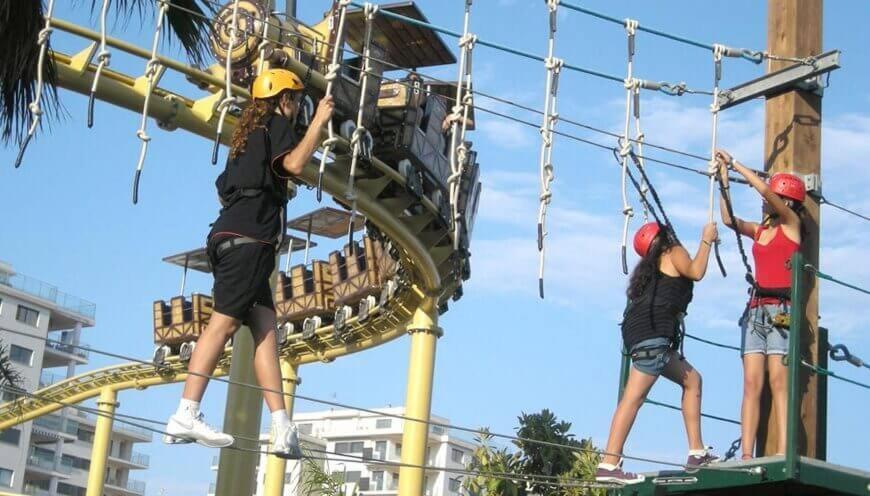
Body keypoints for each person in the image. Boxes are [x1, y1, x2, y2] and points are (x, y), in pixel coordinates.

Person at [163, 69, 334, 458]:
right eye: (296, 100)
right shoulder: (275, 124)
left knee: (265, 330)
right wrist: (321, 123)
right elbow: (294, 164)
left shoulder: (246, 138)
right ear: (284, 99)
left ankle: (281, 426)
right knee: (222, 324)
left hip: (231, 238)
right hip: (249, 241)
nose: (297, 108)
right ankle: (186, 411)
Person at [596, 221, 720, 485]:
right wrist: (706, 240)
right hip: (654, 336)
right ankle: (608, 462)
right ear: (664, 239)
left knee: (692, 380)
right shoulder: (672, 251)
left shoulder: (650, 272)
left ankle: (697, 452)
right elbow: (696, 271)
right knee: (633, 398)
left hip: (642, 335)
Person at [715, 149, 805, 461]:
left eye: (772, 199)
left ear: (786, 201)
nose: (764, 201)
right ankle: (747, 455)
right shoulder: (762, 230)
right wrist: (723, 178)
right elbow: (728, 219)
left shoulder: (791, 224)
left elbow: (766, 190)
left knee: (778, 381)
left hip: (781, 310)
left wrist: (737, 162)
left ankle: (782, 450)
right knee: (751, 383)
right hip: (755, 311)